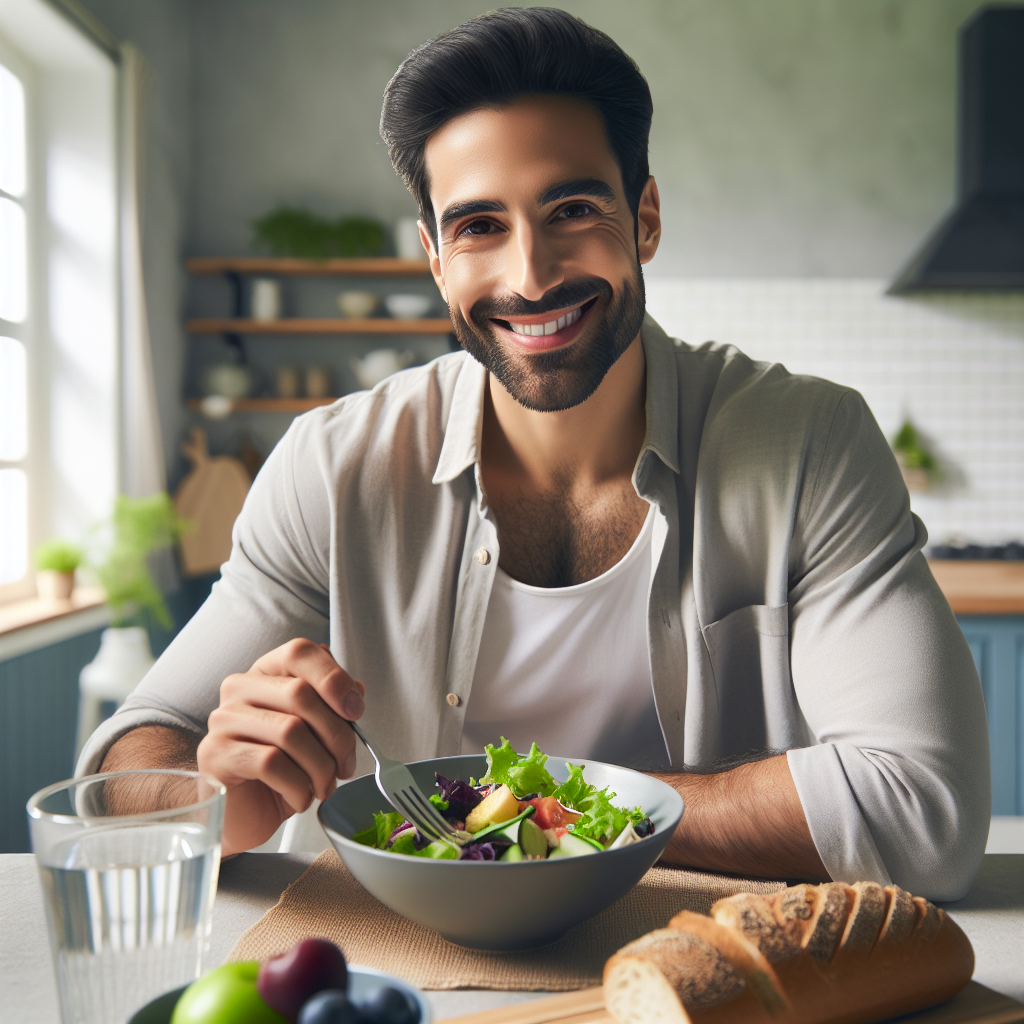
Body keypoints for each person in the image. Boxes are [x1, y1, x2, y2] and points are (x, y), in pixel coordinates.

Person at [81, 8, 989, 898]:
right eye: (480, 226)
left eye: (572, 209)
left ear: (646, 218)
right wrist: (218, 799)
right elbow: (127, 767)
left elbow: (926, 813)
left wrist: (533, 816)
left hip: (721, 976)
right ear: (435, 258)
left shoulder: (809, 445)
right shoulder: (333, 468)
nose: (530, 276)